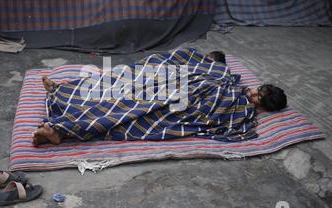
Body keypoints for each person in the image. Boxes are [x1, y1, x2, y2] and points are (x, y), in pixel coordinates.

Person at [33, 48, 287, 146]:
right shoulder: (227, 76)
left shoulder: (242, 111)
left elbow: (218, 121)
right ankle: (62, 91)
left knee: (128, 110)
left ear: (262, 106)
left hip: (176, 107)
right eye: (257, 89)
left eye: (257, 96)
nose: (252, 92)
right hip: (171, 85)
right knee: (123, 83)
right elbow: (200, 65)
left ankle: (61, 129)